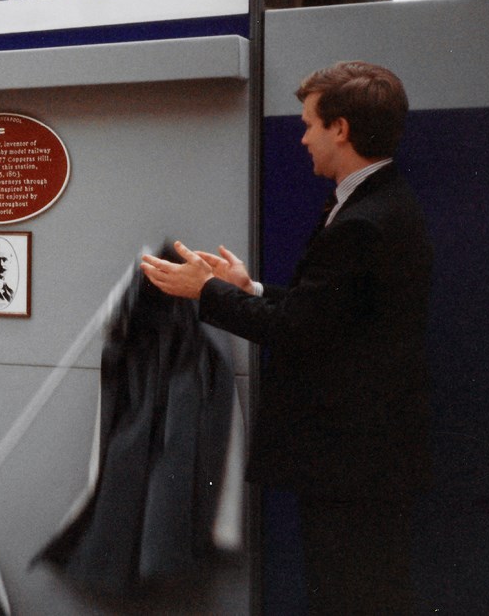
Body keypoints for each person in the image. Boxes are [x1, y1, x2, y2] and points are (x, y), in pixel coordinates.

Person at [140, 61, 432, 613]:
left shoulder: (363, 220)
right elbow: (329, 311)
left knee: (351, 595)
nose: (301, 137)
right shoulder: (380, 204)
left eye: (309, 124)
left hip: (349, 463)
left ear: (340, 129)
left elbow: (297, 330)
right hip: (369, 459)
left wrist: (205, 291)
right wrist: (247, 285)